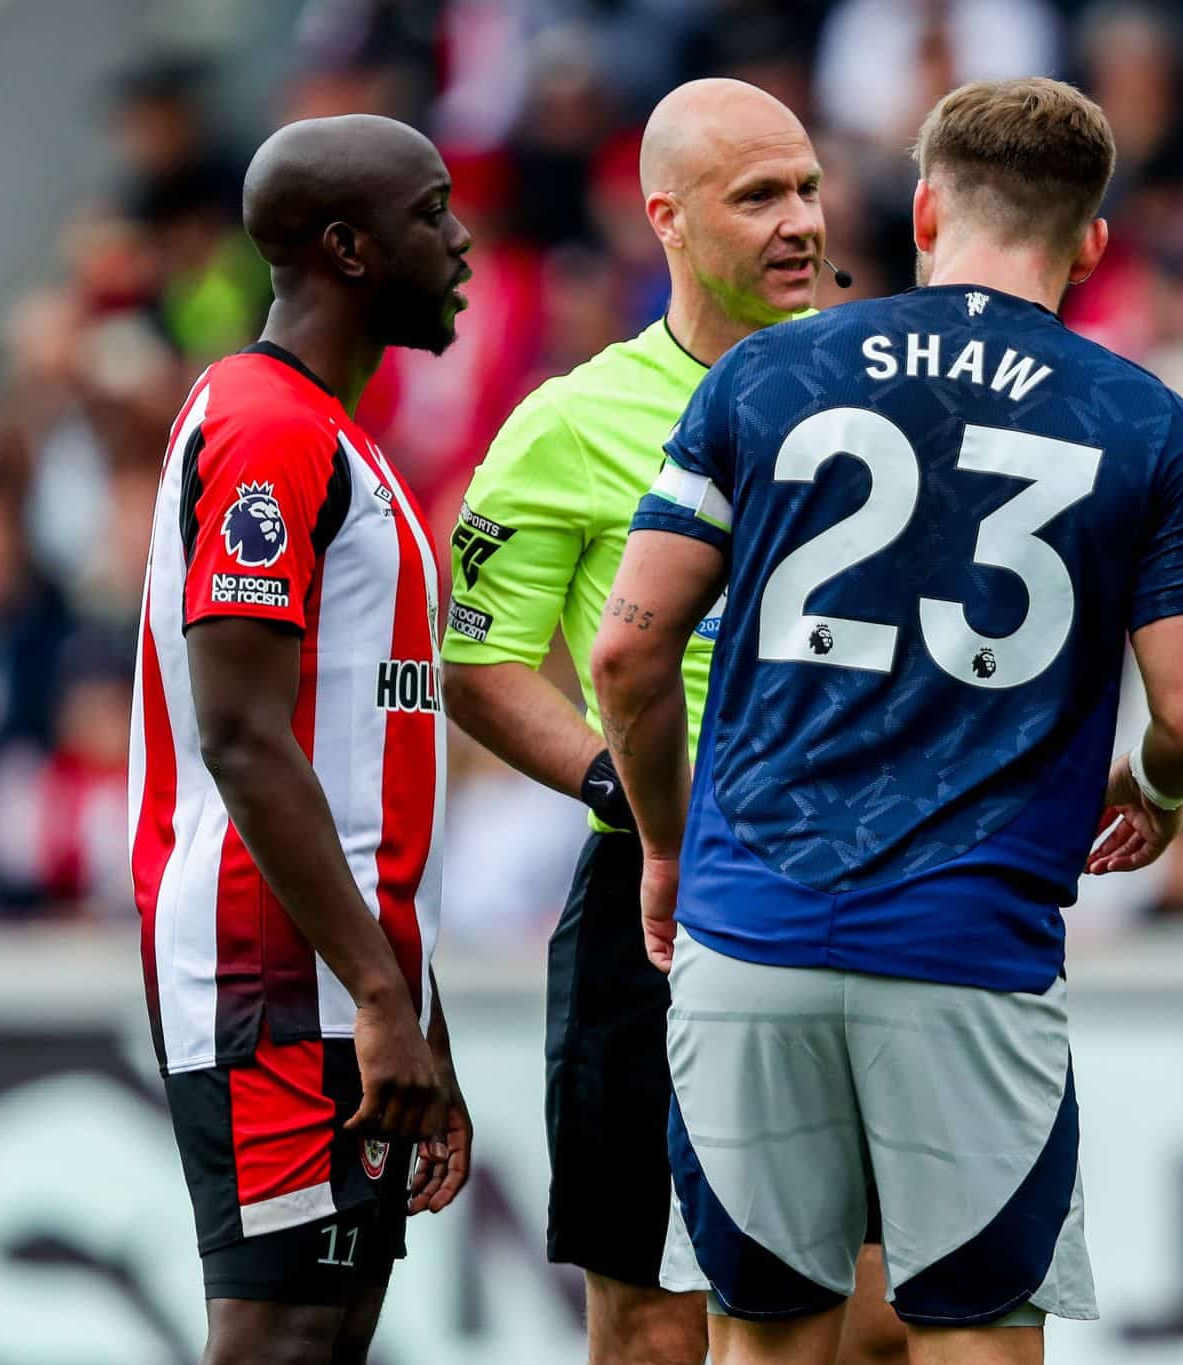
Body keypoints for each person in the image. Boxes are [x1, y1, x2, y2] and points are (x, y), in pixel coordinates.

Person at [593, 78, 1183, 1363]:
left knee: (763, 1345)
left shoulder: (767, 373)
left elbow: (625, 652)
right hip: (968, 949)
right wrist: (1155, 791)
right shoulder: (1146, 426)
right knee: (973, 1345)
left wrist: (668, 849)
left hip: (749, 932)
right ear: (1092, 242)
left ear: (925, 207)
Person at [440, 78, 905, 1365]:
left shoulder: (896, 403)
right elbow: (476, 664)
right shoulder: (571, 422)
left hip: (853, 881)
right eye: (756, 196)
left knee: (873, 1323)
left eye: (809, 187)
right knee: (650, 1324)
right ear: (666, 218)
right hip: (658, 888)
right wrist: (628, 795)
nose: (799, 221)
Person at [128, 114, 474, 1365]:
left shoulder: (331, 436)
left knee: (327, 1334)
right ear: (347, 246)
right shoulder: (269, 430)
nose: (461, 239)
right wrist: (380, 996)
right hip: (271, 968)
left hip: (344, 984)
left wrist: (415, 1016)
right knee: (280, 1336)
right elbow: (238, 734)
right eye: (431, 213)